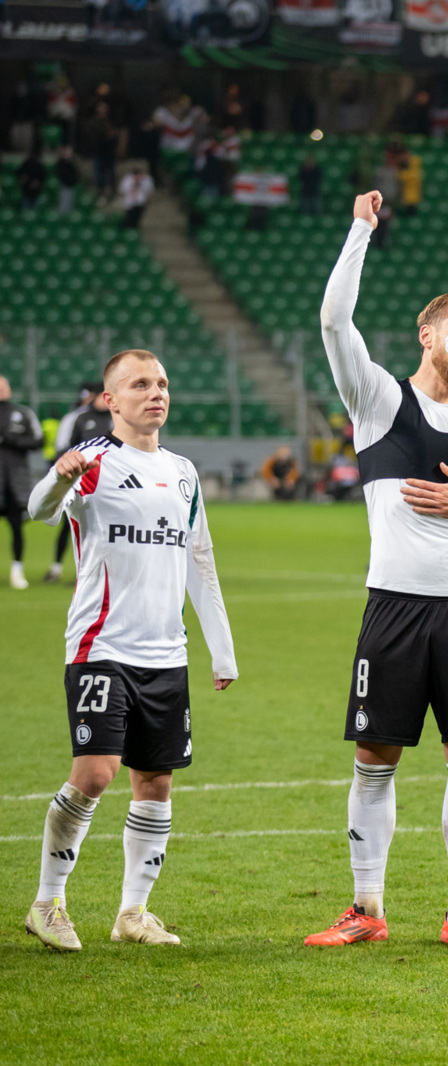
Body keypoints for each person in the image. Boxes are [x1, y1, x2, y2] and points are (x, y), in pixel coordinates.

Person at [303, 190, 448, 951]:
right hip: (395, 609)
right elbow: (335, 323)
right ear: (428, 334)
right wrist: (359, 231)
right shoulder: (379, 401)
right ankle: (366, 909)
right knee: (375, 756)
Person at [21, 349, 236, 951]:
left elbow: (200, 559)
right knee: (95, 773)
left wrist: (221, 650)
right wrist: (58, 477)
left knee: (156, 783)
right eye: (140, 384)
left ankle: (132, 914)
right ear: (111, 400)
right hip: (101, 646)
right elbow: (38, 512)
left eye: (163, 382)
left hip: (166, 655)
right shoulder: (91, 461)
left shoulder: (185, 472)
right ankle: (47, 903)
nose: (156, 392)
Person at [46, 382, 115, 584]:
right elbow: (62, 448)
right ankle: (57, 567)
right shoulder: (77, 417)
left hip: (110, 483)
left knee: (109, 528)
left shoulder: (117, 417)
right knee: (70, 526)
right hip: (80, 482)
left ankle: (101, 573)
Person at [1, 375, 45, 590]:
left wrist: (11, 440)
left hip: (15, 483)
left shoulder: (23, 413)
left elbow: (38, 440)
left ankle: (17, 570)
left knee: (17, 528)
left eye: (3, 385)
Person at [118, 160, 153, 230]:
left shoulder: (146, 179)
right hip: (130, 202)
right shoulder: (127, 179)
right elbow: (122, 190)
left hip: (140, 202)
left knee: (137, 219)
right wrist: (133, 184)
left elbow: (149, 190)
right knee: (130, 219)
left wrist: (140, 183)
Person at [18, 145, 47, 211]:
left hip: (36, 191)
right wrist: (23, 177)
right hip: (27, 190)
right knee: (26, 210)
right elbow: (19, 172)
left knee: (34, 211)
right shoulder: (27, 163)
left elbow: (43, 175)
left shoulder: (40, 165)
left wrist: (38, 182)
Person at [54, 146, 79, 215]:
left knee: (71, 206)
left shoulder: (71, 163)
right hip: (65, 186)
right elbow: (62, 175)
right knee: (64, 206)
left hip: (71, 186)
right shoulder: (62, 163)